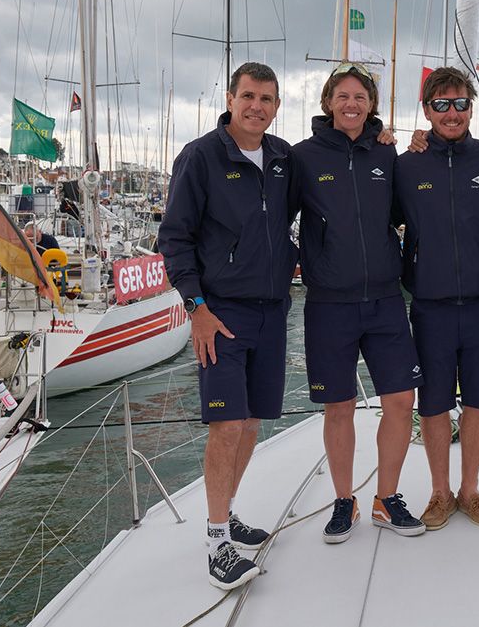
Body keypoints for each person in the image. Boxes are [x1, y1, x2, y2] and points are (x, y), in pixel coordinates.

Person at [157, 62, 298, 591]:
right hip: (221, 313)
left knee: (254, 421)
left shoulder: (284, 158)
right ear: (230, 98)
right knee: (226, 426)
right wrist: (196, 307)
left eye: (266, 98)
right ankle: (217, 541)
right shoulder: (201, 157)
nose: (256, 106)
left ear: (277, 105)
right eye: (248, 96)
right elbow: (174, 239)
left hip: (272, 310)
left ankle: (229, 511)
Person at [288, 62, 426, 544]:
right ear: (328, 102)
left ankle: (386, 499)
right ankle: (344, 499)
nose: (351, 104)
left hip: (387, 299)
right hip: (328, 304)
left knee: (400, 401)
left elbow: (410, 209)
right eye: (343, 96)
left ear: (372, 105)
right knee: (339, 407)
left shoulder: (387, 155)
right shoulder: (302, 157)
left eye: (360, 98)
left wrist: (417, 145)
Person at [394, 67, 479, 530]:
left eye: (460, 103)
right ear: (426, 111)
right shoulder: (408, 166)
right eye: (441, 105)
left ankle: (470, 490)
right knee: (435, 403)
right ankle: (440, 493)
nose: (451, 113)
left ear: (471, 107)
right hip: (430, 305)